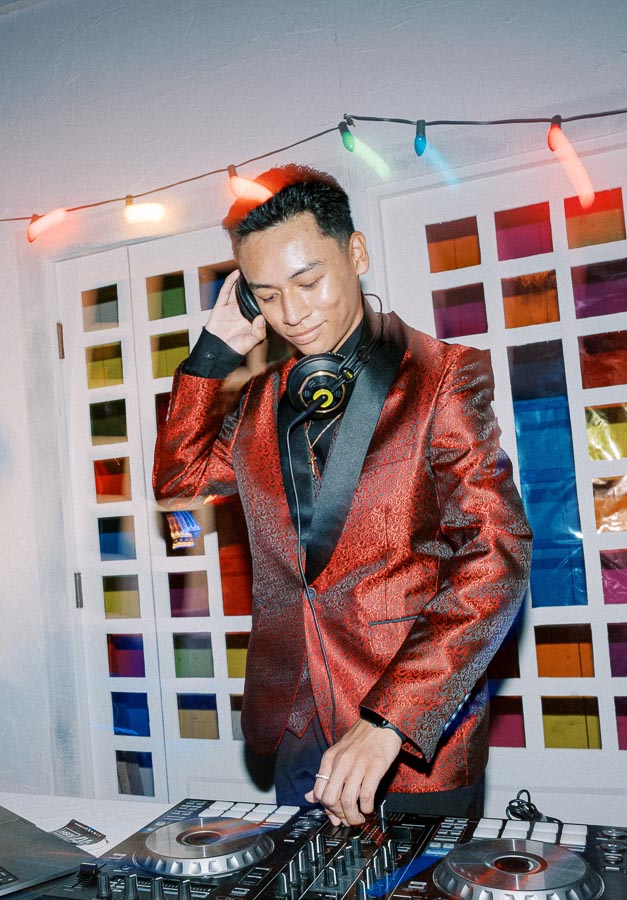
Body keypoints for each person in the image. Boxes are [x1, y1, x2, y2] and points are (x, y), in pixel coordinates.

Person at [152, 165, 531, 826]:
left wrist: (390, 718)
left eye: (308, 281)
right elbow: (178, 490)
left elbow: (496, 555)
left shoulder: (440, 379)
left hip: (410, 746)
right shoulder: (261, 403)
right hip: (294, 732)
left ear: (356, 254)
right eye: (266, 296)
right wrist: (211, 358)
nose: (291, 315)